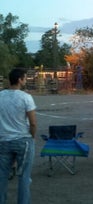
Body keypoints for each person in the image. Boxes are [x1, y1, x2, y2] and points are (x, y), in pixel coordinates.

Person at [0, 68, 37, 204]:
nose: (25, 80)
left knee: (2, 175)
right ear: (20, 80)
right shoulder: (26, 97)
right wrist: (32, 137)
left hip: (3, 140)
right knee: (24, 177)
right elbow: (33, 123)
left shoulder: (1, 96)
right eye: (25, 78)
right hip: (23, 140)